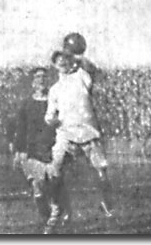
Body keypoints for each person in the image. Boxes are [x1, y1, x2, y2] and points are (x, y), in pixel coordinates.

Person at [45, 51, 114, 218]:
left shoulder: (82, 77)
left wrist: (76, 54)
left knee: (101, 172)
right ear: (55, 65)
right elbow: (49, 115)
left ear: (71, 61)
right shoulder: (54, 89)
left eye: (65, 59)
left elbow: (93, 69)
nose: (62, 62)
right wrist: (51, 120)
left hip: (88, 131)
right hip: (66, 133)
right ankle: (58, 206)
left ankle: (106, 204)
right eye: (58, 61)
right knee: (55, 168)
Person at [13, 67, 70, 234]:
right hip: (32, 150)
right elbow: (21, 128)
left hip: (51, 148)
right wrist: (18, 151)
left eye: (44, 77)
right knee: (37, 187)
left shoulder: (55, 102)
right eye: (37, 77)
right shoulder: (26, 103)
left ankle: (57, 214)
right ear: (32, 82)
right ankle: (49, 221)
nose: (41, 80)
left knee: (52, 183)